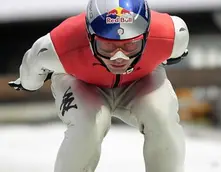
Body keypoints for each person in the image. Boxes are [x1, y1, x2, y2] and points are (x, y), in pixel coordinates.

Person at [8, 0, 189, 172]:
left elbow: (31, 70)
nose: (119, 57)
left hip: (138, 81)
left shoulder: (172, 34)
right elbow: (33, 62)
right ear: (88, 36)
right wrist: (28, 82)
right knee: (87, 126)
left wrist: (29, 84)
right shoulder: (58, 44)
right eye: (107, 46)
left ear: (147, 35)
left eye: (131, 45)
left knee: (161, 117)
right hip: (81, 82)